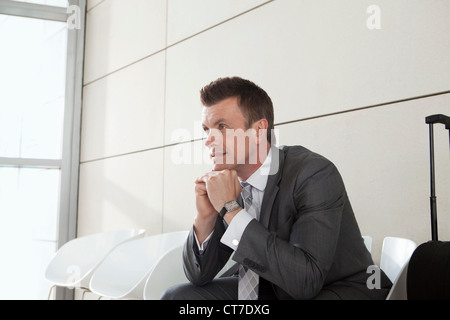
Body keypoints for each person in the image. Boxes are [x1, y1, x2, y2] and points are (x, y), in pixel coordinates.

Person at [161, 77, 392, 300]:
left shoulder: (313, 173)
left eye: (222, 126)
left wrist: (230, 209)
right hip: (272, 285)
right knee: (177, 297)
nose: (209, 140)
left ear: (259, 130)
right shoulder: (227, 183)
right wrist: (206, 217)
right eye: (206, 129)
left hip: (334, 287)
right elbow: (199, 275)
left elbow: (306, 280)